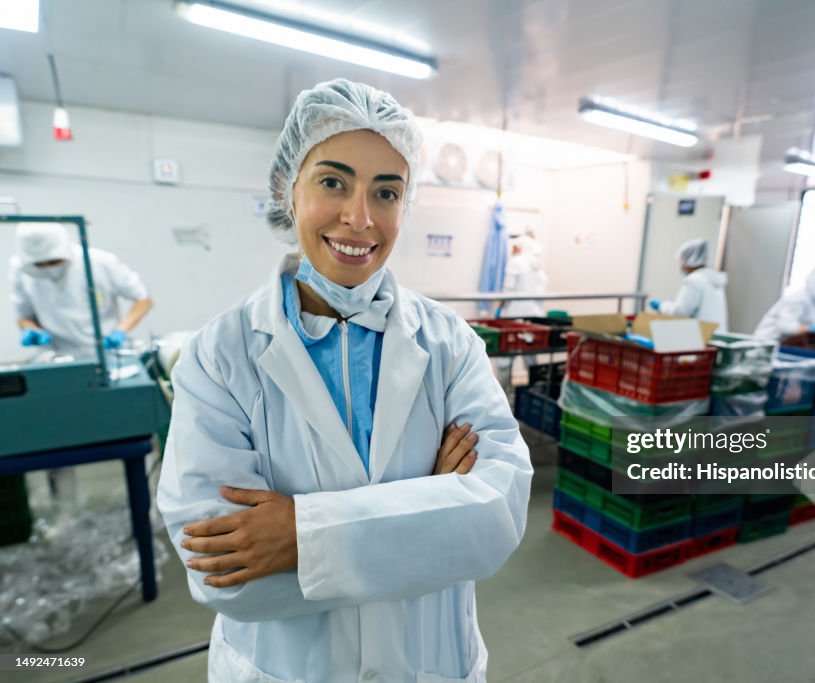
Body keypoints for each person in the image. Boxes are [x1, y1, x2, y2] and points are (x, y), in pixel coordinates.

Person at [156, 79, 533, 683]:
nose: (359, 218)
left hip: (430, 664)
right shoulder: (220, 356)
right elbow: (221, 573)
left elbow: (495, 519)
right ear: (288, 190)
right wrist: (430, 509)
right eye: (333, 182)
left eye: (387, 192)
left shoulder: (450, 344)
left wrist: (298, 535)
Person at [9, 222, 154, 352]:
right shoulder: (20, 268)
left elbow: (143, 300)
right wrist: (31, 329)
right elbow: (23, 315)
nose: (48, 268)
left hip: (105, 349)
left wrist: (120, 331)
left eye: (53, 262)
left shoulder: (99, 261)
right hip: (57, 353)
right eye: (39, 265)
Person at [649, 238, 729, 330]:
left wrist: (662, 306)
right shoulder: (712, 279)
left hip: (702, 337)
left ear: (689, 260)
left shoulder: (694, 281)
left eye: (682, 261)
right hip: (717, 336)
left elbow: (680, 312)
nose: (681, 266)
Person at [753, 266, 815, 341]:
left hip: (783, 345)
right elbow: (786, 326)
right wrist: (813, 329)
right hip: (766, 343)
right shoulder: (798, 299)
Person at [499, 232, 548, 319]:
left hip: (515, 312)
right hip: (535, 312)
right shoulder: (537, 264)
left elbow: (508, 287)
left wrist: (502, 302)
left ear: (520, 248)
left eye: (514, 248)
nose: (512, 251)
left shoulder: (515, 261)